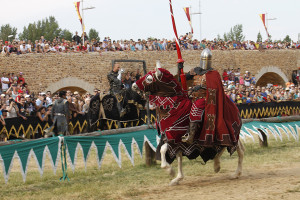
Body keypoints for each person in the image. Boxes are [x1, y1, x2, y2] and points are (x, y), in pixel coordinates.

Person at [182, 48, 241, 147]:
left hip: (206, 99)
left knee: (196, 107)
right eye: (203, 60)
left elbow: (215, 87)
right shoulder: (195, 71)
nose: (205, 63)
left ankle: (191, 136)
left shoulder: (213, 73)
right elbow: (182, 78)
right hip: (193, 97)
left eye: (207, 60)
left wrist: (200, 86)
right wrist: (180, 67)